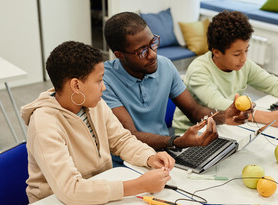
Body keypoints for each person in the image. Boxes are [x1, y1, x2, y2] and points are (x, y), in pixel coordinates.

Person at [21, 41, 175, 205]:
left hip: (98, 194)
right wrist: (138, 186)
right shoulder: (44, 123)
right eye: (99, 81)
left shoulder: (93, 103)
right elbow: (70, 190)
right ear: (76, 85)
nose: (104, 88)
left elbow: (121, 140)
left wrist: (149, 157)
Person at [102, 12, 249, 158]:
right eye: (142, 51)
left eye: (153, 43)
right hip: (128, 161)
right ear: (119, 55)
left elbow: (194, 111)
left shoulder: (165, 65)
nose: (152, 54)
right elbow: (130, 135)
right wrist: (176, 141)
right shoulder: (104, 80)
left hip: (165, 153)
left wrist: (225, 116)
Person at [172, 11, 278, 134]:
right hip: (192, 134)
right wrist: (267, 117)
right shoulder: (199, 71)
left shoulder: (243, 64)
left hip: (225, 127)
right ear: (216, 52)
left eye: (246, 50)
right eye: (237, 54)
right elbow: (219, 104)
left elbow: (272, 83)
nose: (244, 58)